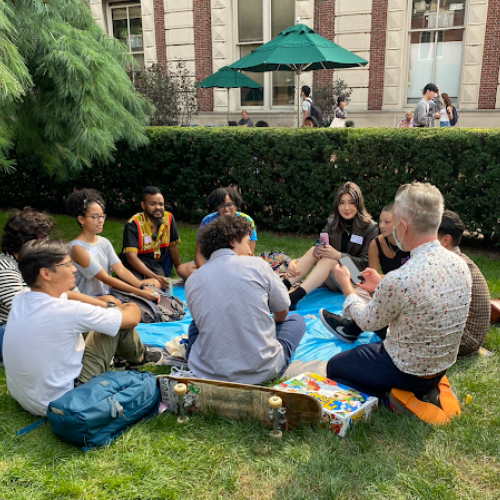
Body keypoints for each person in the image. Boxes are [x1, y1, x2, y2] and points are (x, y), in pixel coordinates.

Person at [320, 183, 471, 422]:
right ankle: (433, 388)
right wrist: (380, 285)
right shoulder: (460, 264)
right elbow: (421, 298)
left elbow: (367, 322)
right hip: (440, 366)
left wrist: (346, 285)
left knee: (335, 367)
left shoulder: (401, 278)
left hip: (405, 369)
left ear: (402, 226)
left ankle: (393, 398)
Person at [3, 239, 162, 416]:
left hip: (27, 397)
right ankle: (139, 357)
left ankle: (129, 356)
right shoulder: (68, 311)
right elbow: (131, 320)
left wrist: (103, 305)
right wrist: (127, 305)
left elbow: (68, 295)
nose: (74, 269)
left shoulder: (21, 297)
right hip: (67, 400)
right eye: (67, 264)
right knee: (115, 325)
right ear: (46, 273)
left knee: (106, 321)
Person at [184, 215, 305, 384]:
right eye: (248, 242)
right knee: (295, 319)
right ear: (233, 241)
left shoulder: (193, 279)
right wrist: (273, 324)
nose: (250, 250)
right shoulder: (258, 265)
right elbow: (282, 311)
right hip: (263, 370)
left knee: (195, 324)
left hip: (207, 371)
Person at [283, 182, 378, 307]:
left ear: (358, 204)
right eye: (342, 203)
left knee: (330, 259)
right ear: (337, 205)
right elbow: (319, 247)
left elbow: (365, 262)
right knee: (315, 250)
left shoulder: (370, 227)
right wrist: (295, 262)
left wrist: (339, 256)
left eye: (351, 202)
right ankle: (281, 288)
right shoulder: (332, 222)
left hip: (356, 279)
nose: (346, 208)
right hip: (333, 277)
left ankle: (293, 298)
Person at [66, 189, 161, 305]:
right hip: (91, 298)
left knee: (154, 283)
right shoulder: (77, 248)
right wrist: (140, 292)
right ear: (81, 219)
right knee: (113, 302)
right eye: (95, 217)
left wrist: (143, 287)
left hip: (109, 292)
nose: (101, 221)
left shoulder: (104, 242)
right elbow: (105, 278)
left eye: (102, 216)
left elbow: (120, 270)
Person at [0, 208, 54, 363]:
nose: (48, 242)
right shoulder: (5, 267)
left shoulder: (33, 263)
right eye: (43, 237)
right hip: (7, 328)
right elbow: (26, 307)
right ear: (24, 241)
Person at [438, 210, 490, 357]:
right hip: (468, 336)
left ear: (445, 240)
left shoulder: (452, 266)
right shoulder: (456, 260)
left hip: (465, 340)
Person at [122, 186, 195, 285]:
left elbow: (172, 246)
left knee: (159, 284)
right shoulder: (133, 224)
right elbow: (131, 257)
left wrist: (179, 269)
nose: (158, 207)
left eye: (161, 204)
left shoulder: (168, 218)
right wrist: (153, 276)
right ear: (143, 205)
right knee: (136, 284)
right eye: (153, 204)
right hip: (134, 265)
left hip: (155, 265)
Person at [185, 187, 258, 278]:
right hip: (212, 263)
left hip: (238, 265)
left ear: (235, 204)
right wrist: (205, 271)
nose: (226, 209)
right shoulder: (207, 221)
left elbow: (249, 253)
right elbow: (198, 253)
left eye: (229, 204)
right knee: (182, 269)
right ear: (216, 207)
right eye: (221, 206)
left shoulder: (246, 220)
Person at [368, 203, 410, 275]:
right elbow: (373, 276)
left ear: (399, 222)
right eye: (380, 221)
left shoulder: (411, 241)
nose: (381, 225)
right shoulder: (375, 244)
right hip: (386, 285)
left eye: (387, 222)